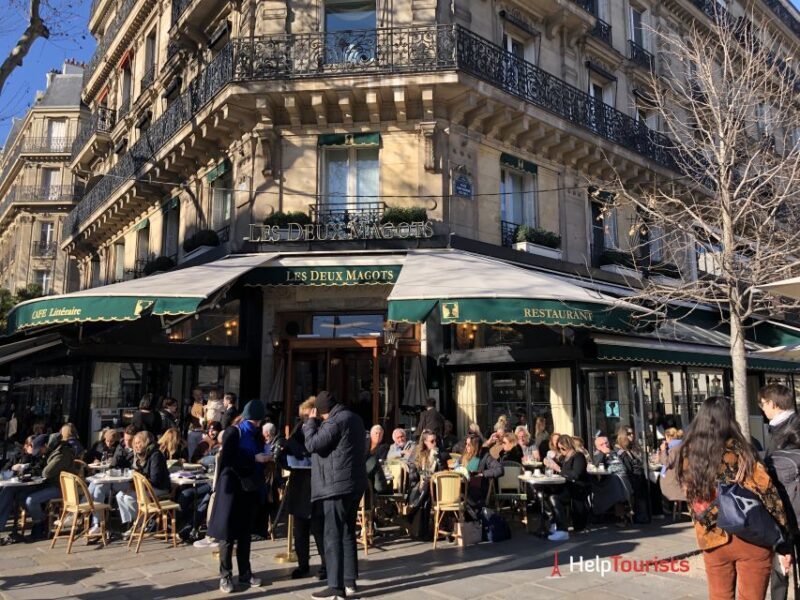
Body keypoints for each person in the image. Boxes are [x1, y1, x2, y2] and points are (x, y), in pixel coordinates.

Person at [677, 396, 788, 600]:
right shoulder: (742, 449)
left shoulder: (689, 453)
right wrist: (783, 539)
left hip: (713, 537)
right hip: (750, 533)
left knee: (719, 596)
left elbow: (689, 495)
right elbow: (768, 491)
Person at [304, 391, 366, 600]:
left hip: (336, 486)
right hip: (354, 483)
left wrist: (310, 422)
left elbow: (312, 444)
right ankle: (350, 581)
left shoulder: (335, 421)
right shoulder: (354, 418)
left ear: (323, 411)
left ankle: (335, 587)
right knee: (348, 532)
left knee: (332, 535)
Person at [208, 399, 269, 593]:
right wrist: (253, 458)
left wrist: (266, 458)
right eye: (254, 422)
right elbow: (227, 459)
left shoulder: (257, 434)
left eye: (257, 422)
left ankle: (245, 572)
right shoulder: (234, 432)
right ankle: (225, 576)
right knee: (227, 534)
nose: (256, 425)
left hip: (249, 487)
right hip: (232, 487)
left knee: (245, 533)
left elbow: (259, 453)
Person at [759, 383, 800, 600]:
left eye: (763, 404)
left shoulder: (787, 430)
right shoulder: (785, 425)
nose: (762, 409)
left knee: (780, 570)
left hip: (787, 509)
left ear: (773, 404)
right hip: (791, 507)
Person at [284, 398, 326, 581]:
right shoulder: (298, 430)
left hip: (316, 486)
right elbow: (287, 452)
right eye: (302, 416)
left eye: (307, 416)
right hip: (301, 485)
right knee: (301, 530)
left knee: (319, 530)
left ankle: (326, 565)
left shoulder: (322, 429)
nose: (304, 419)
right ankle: (303, 565)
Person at [25, 425, 77, 538]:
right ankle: (40, 518)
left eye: (40, 450)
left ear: (45, 446)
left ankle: (39, 523)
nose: (40, 453)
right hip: (51, 484)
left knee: (31, 500)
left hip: (61, 487)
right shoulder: (53, 451)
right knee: (22, 494)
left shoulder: (61, 453)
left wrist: (43, 463)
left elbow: (47, 473)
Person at [116, 431, 170, 537]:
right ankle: (136, 522)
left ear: (146, 442)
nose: (136, 446)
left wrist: (137, 488)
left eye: (139, 443)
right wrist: (134, 486)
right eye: (135, 443)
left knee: (129, 498)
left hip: (158, 487)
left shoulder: (155, 455)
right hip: (144, 486)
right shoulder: (138, 456)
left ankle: (140, 523)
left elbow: (155, 479)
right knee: (119, 495)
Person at [88, 426, 136, 536]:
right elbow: (113, 464)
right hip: (117, 479)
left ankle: (84, 514)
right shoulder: (121, 446)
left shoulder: (137, 449)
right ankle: (97, 524)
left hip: (129, 482)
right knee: (98, 486)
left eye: (130, 440)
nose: (127, 442)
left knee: (97, 486)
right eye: (126, 439)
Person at [0, 435, 47, 544]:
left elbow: (39, 472)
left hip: (31, 486)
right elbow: (5, 470)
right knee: (7, 490)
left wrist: (26, 469)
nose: (33, 448)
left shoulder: (38, 457)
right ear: (26, 446)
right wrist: (13, 468)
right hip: (16, 486)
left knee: (8, 492)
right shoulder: (18, 456)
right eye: (31, 445)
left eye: (34, 446)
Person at [401, 429, 445, 539]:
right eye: (432, 441)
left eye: (436, 441)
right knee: (426, 499)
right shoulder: (418, 453)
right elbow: (414, 473)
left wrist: (437, 459)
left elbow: (442, 471)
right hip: (419, 486)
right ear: (425, 442)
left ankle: (412, 513)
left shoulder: (438, 452)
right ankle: (423, 532)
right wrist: (421, 477)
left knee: (427, 484)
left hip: (435, 486)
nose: (435, 443)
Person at [546, 434, 589, 541]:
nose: (561, 450)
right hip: (568, 486)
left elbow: (576, 474)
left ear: (568, 445)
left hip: (578, 487)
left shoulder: (578, 456)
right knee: (546, 493)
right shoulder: (565, 458)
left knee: (554, 497)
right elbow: (562, 469)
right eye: (559, 448)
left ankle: (562, 529)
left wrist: (558, 469)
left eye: (562, 448)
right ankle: (554, 523)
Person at [615, 426, 648, 524]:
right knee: (640, 489)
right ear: (623, 436)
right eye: (629, 434)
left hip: (637, 476)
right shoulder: (619, 451)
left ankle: (643, 515)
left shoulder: (630, 448)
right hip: (629, 479)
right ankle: (640, 516)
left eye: (632, 433)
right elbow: (627, 468)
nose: (632, 435)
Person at [366, 425, 390, 494]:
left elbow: (382, 460)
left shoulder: (384, 447)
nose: (378, 435)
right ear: (371, 434)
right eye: (376, 433)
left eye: (380, 434)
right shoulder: (365, 444)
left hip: (375, 473)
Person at [187, 388, 206, 460]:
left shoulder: (207, 404)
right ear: (193, 395)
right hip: (192, 431)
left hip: (203, 432)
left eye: (200, 394)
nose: (198, 396)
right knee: (191, 451)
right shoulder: (190, 404)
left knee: (202, 451)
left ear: (203, 395)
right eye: (196, 395)